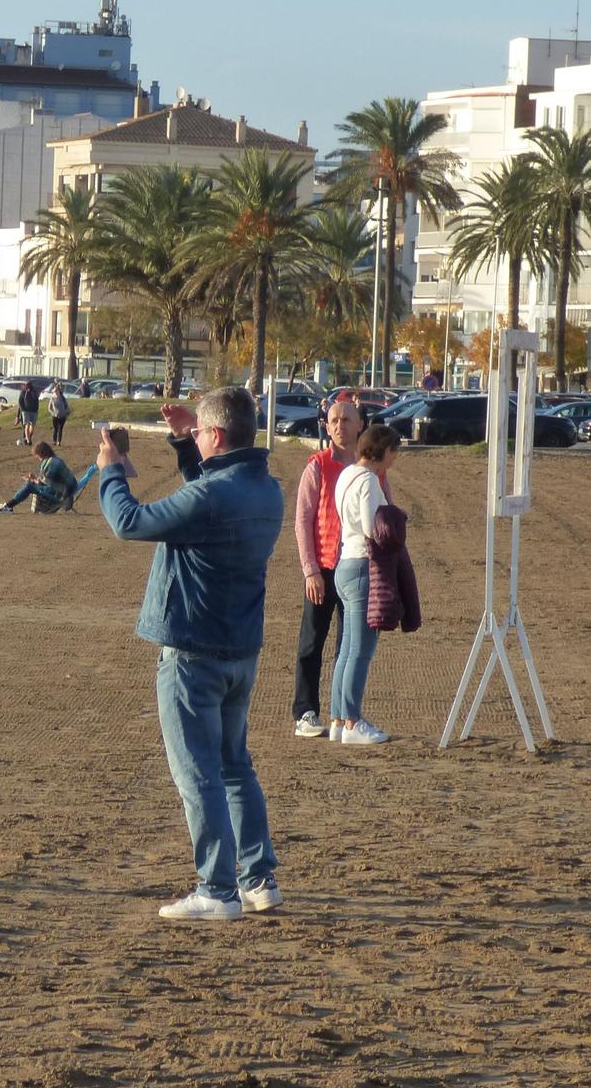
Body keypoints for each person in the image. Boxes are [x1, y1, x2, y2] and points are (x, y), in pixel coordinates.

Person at [99, 387, 284, 921]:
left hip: (192, 651)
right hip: (240, 650)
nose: (197, 438)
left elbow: (129, 522)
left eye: (202, 432)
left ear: (218, 436)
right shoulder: (265, 489)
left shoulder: (213, 497)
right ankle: (257, 879)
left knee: (197, 773)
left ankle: (217, 889)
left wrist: (111, 470)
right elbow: (208, 497)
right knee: (234, 766)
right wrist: (186, 442)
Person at [290, 396, 366, 739]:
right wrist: (310, 570)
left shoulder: (369, 469)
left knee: (348, 646)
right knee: (311, 644)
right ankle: (305, 712)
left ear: (360, 424)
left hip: (357, 568)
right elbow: (302, 520)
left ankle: (341, 715)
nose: (340, 426)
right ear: (326, 426)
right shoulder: (317, 466)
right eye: (334, 420)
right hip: (323, 568)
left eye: (347, 419)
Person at [329, 423, 403, 746]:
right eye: (394, 451)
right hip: (362, 565)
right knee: (360, 651)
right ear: (383, 450)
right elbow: (374, 529)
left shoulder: (346, 474)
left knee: (347, 649)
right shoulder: (370, 480)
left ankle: (337, 718)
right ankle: (352, 721)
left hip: (344, 563)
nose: (395, 458)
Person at [0, 441, 81, 514]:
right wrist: (34, 479)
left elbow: (46, 482)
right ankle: (9, 506)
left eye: (37, 455)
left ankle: (9, 506)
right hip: (63, 491)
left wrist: (33, 480)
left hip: (62, 495)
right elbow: (47, 480)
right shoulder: (53, 460)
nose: (36, 457)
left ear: (42, 453)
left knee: (29, 486)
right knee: (30, 484)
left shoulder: (53, 463)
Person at [17, 381, 41, 446]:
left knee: (32, 427)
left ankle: (28, 437)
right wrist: (22, 410)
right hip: (25, 411)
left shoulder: (34, 393)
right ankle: (28, 440)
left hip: (33, 411)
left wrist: (36, 409)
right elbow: (20, 401)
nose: (27, 387)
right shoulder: (23, 392)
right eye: (26, 385)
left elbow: (37, 401)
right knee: (27, 425)